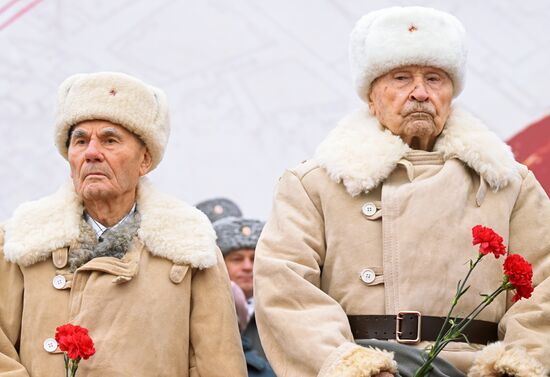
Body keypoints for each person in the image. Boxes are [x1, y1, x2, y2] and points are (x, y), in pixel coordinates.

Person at [253, 6, 550, 377]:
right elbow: (285, 290)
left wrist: (516, 364)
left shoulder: (509, 184)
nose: (421, 93)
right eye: (401, 77)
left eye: (435, 78)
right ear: (371, 95)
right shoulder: (314, 184)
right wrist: (347, 364)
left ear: (452, 92)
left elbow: (545, 287)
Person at [0, 72, 247, 376]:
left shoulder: (190, 247)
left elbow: (218, 365)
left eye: (110, 140)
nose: (91, 152)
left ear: (145, 159)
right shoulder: (23, 240)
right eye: (80, 141)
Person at [213, 216, 267, 360]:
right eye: (237, 259)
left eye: (254, 258)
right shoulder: (207, 311)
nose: (247, 267)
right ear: (221, 263)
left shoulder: (280, 312)